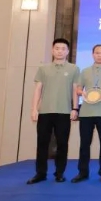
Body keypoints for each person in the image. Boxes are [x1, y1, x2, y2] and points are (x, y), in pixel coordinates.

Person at [27, 38, 80, 184]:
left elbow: (75, 90)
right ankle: (40, 173)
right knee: (42, 143)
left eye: (63, 49)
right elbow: (38, 89)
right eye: (57, 48)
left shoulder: (74, 69)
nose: (60, 51)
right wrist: (34, 109)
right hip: (45, 112)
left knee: (62, 144)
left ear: (67, 51)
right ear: (52, 50)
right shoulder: (43, 69)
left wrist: (75, 108)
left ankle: (59, 173)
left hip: (64, 112)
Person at [71, 44, 101, 183]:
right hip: (86, 113)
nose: (100, 55)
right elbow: (78, 89)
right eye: (97, 53)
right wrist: (83, 93)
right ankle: (83, 172)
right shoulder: (85, 71)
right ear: (92, 54)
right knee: (84, 144)